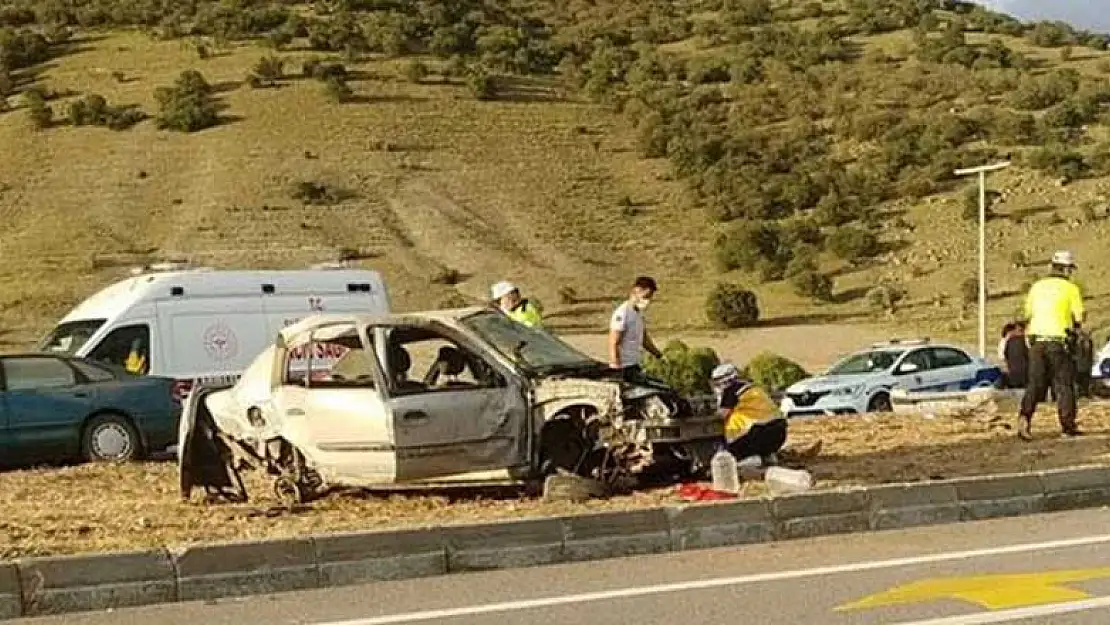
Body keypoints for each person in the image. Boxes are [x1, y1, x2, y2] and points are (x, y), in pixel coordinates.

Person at [1017, 250, 1085, 441]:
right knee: (1063, 385)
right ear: (1065, 269)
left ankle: (1025, 417)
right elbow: (1079, 317)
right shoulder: (1071, 288)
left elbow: (1027, 314)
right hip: (1058, 341)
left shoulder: (1036, 287)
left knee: (1035, 384)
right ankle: (1067, 426)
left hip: (1036, 342)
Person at [710, 363, 822, 464]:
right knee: (760, 449)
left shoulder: (731, 391)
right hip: (779, 432)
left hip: (757, 434)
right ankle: (767, 457)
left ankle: (754, 461)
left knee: (732, 456)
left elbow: (722, 415)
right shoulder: (753, 387)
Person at [608, 276, 662, 382]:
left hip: (635, 364)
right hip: (623, 367)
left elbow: (644, 338)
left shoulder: (639, 313)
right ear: (637, 291)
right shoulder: (623, 313)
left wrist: (658, 355)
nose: (648, 300)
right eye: (646, 296)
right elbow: (613, 342)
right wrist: (616, 366)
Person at [1001, 321, 1028, 390]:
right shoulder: (1021, 341)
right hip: (1023, 378)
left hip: (1014, 378)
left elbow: (1003, 356)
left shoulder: (1008, 342)